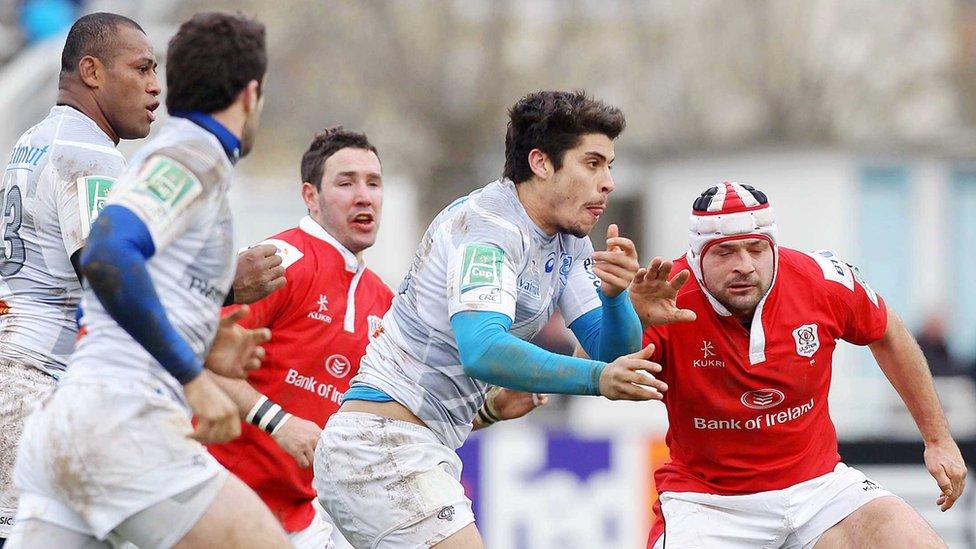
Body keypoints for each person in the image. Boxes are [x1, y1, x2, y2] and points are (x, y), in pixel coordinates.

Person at [315, 90, 665, 548]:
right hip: (381, 446)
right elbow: (483, 349)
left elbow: (612, 353)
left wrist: (618, 299)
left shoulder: (568, 241)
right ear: (541, 163)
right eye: (593, 163)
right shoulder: (488, 229)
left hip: (421, 445)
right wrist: (598, 378)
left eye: (609, 166)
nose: (608, 183)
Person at [9, 12, 291, 548]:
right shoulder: (189, 156)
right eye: (142, 68)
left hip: (61, 419)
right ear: (251, 95)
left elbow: (115, 282)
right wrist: (194, 375)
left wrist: (203, 341)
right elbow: (107, 259)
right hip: (114, 417)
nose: (151, 84)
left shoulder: (66, 143)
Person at [629, 181, 966, 548]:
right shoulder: (664, 296)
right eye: (724, 252)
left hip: (819, 490)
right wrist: (627, 316)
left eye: (756, 249)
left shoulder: (820, 280)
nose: (743, 265)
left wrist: (938, 439)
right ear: (696, 256)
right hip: (711, 504)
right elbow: (596, 365)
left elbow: (888, 333)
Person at [0, 13, 159, 543]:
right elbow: (108, 273)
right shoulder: (88, 155)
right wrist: (228, 285)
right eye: (141, 68)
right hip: (38, 388)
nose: (155, 86)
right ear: (91, 71)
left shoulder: (35, 138)